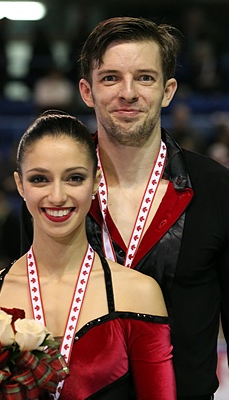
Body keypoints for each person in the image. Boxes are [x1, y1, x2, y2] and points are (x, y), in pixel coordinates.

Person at [21, 17, 229, 400]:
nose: (128, 93)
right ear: (87, 91)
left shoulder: (216, 189)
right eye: (111, 78)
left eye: (145, 78)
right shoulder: (52, 190)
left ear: (168, 91)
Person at [0, 111, 176, 399]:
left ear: (97, 180)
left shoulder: (139, 294)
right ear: (19, 184)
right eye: (40, 179)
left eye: (74, 178)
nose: (58, 196)